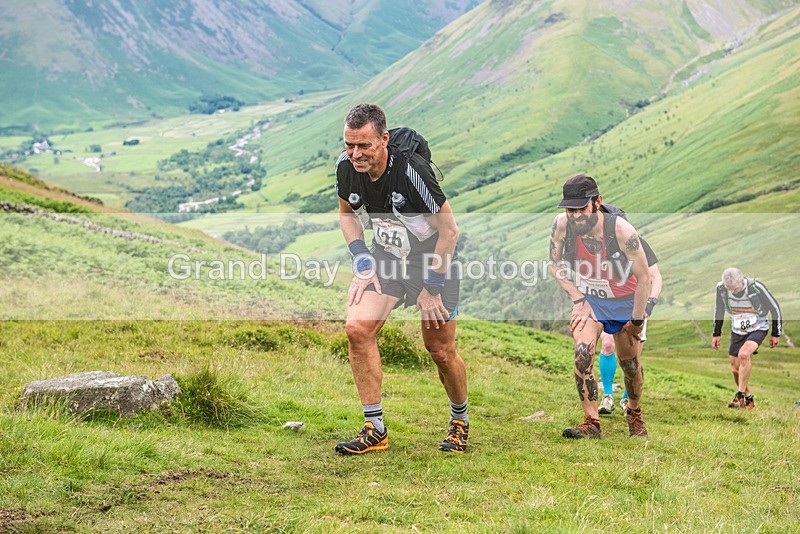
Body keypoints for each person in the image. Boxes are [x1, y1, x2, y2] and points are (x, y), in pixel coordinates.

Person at [334, 103, 468, 454]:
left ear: (384, 139)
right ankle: (374, 429)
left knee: (439, 349)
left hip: (434, 261)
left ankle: (459, 421)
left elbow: (449, 232)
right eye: (349, 145)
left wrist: (431, 287)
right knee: (357, 329)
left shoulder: (411, 173)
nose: (355, 154)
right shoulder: (345, 167)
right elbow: (347, 214)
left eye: (364, 145)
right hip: (389, 258)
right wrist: (362, 258)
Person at [549, 174, 651, 438]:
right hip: (591, 299)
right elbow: (554, 263)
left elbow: (644, 277)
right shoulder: (562, 225)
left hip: (625, 302)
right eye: (570, 209)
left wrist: (637, 320)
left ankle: (634, 413)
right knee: (582, 353)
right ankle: (591, 422)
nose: (575, 216)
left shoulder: (621, 231)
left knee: (630, 365)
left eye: (581, 208)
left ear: (597, 202)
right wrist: (578, 298)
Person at [598, 238, 662, 414]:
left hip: (636, 307)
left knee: (632, 358)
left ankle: (627, 398)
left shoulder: (637, 243)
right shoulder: (597, 242)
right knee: (608, 345)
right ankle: (608, 396)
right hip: (608, 305)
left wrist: (650, 303)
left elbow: (655, 276)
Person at [712, 267, 782, 409]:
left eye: (735, 288)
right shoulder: (721, 289)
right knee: (735, 370)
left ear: (742, 280)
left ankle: (739, 397)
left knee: (744, 355)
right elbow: (719, 309)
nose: (733, 291)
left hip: (758, 328)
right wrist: (716, 333)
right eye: (729, 288)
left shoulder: (755, 287)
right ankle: (748, 398)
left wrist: (776, 333)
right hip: (737, 330)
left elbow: (775, 307)